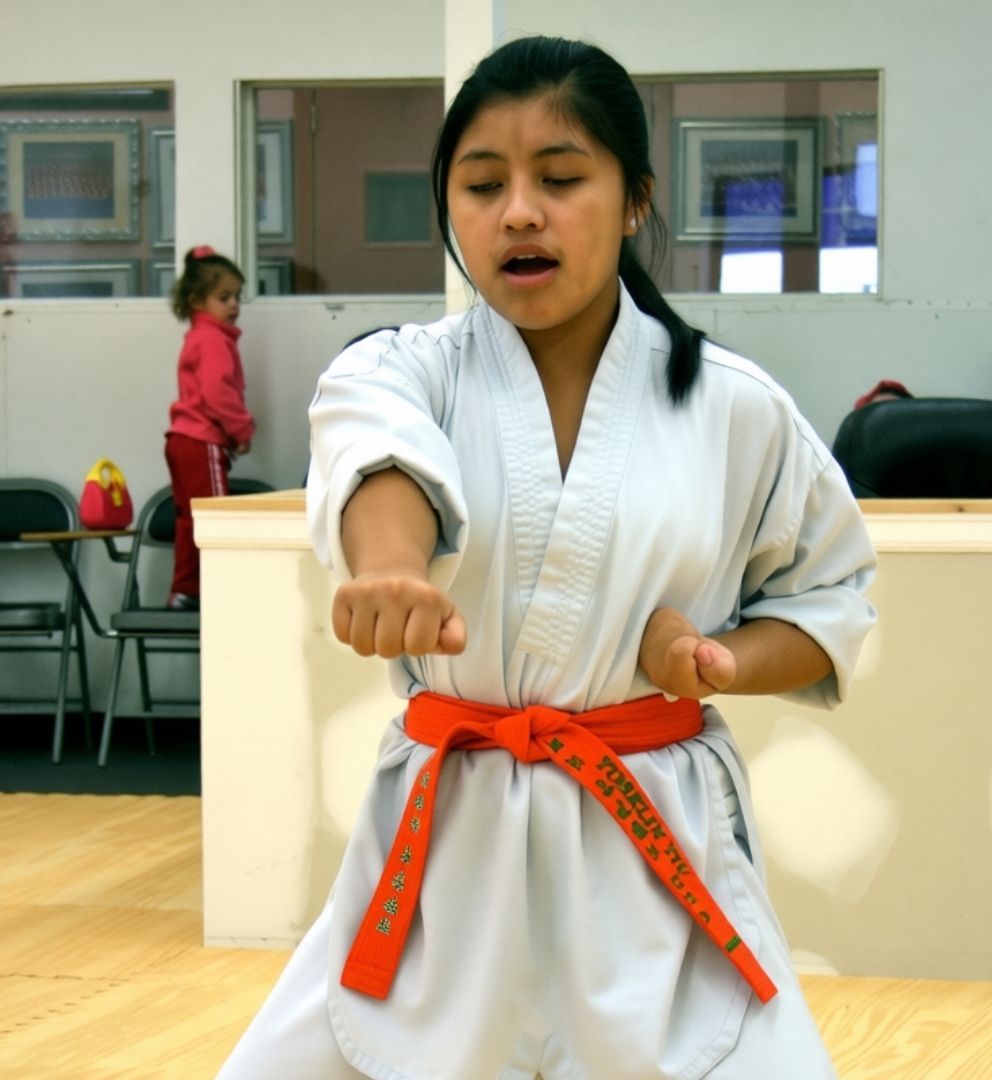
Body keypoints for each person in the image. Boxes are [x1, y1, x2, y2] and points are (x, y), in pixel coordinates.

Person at [218, 36, 876, 1079]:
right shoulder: (398, 369)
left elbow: (829, 595)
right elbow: (382, 462)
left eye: (560, 179)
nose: (518, 211)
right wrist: (388, 567)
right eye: (482, 185)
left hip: (653, 842)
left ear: (633, 201)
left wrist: (718, 663)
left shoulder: (736, 408)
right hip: (451, 838)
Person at [164, 246, 255, 610]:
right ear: (195, 300)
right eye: (223, 297)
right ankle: (205, 590)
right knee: (212, 517)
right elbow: (218, 393)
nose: (233, 305)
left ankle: (185, 590)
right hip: (202, 442)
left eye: (236, 296)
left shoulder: (198, 337)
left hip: (181, 440)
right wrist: (243, 429)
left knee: (191, 518)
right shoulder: (214, 339)